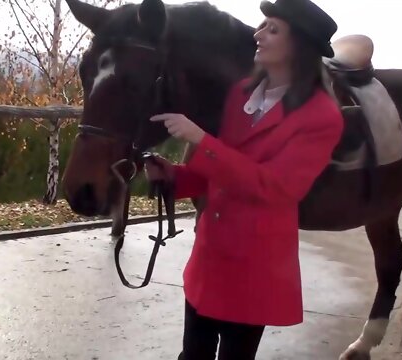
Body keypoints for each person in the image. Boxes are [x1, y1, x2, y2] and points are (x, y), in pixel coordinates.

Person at [146, 0, 344, 358]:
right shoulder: (240, 94)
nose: (258, 34)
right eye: (261, 25)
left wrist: (201, 141)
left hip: (254, 268)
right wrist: (172, 177)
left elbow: (278, 188)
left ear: (299, 44)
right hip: (210, 257)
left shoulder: (322, 116)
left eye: (272, 29)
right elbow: (221, 175)